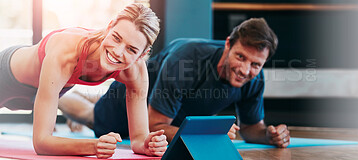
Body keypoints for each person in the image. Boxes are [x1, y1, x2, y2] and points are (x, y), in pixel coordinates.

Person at [63, 18, 291, 148]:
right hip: (130, 100)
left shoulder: (254, 77)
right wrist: (208, 132)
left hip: (174, 118)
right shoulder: (186, 59)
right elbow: (153, 125)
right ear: (228, 44)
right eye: (240, 57)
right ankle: (61, 95)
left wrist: (268, 136)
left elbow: (252, 129)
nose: (245, 70)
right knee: (91, 117)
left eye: (255, 64)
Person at [0, 3, 167, 158]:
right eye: (116, 38)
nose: (118, 51)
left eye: (131, 49)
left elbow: (138, 138)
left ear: (142, 54)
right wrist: (94, 146)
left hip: (42, 93)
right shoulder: (67, 51)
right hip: (6, 77)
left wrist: (147, 145)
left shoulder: (136, 71)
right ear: (109, 27)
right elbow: (41, 142)